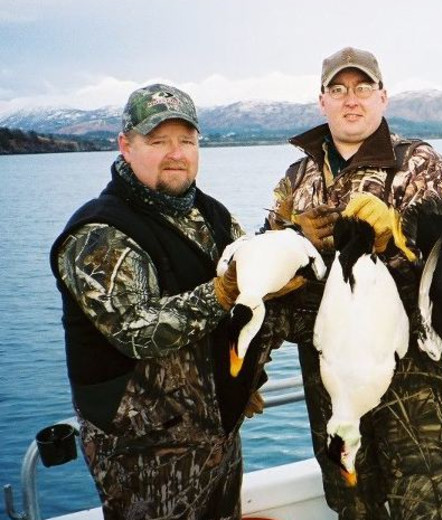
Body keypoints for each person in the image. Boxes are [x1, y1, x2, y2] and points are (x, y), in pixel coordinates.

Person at [51, 83, 291, 519]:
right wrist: (224, 291)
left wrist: (293, 251)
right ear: (126, 146)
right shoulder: (97, 234)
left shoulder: (212, 215)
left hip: (218, 437)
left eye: (186, 140)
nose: (175, 153)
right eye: (158, 141)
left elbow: (253, 304)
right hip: (144, 458)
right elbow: (136, 331)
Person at [264, 47, 442, 520]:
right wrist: (293, 239)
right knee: (350, 498)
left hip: (406, 364)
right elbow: (265, 260)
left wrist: (399, 234)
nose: (352, 100)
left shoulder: (417, 162)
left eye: (363, 88)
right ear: (322, 101)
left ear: (383, 97)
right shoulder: (297, 177)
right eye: (339, 89)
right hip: (327, 367)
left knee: (422, 500)